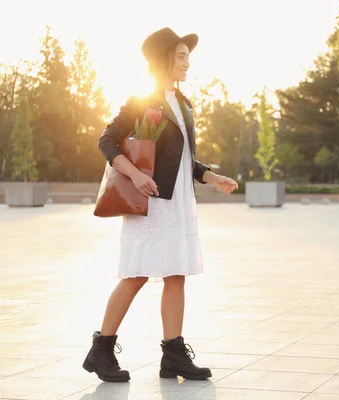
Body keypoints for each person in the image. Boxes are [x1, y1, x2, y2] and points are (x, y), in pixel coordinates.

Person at [82, 27, 238, 383]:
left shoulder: (183, 104)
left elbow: (181, 161)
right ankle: (101, 349)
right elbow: (106, 141)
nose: (187, 62)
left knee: (175, 274)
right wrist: (135, 175)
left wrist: (213, 177)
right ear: (163, 60)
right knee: (136, 275)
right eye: (181, 56)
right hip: (151, 202)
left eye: (187, 56)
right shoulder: (143, 99)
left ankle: (173, 355)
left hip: (177, 201)